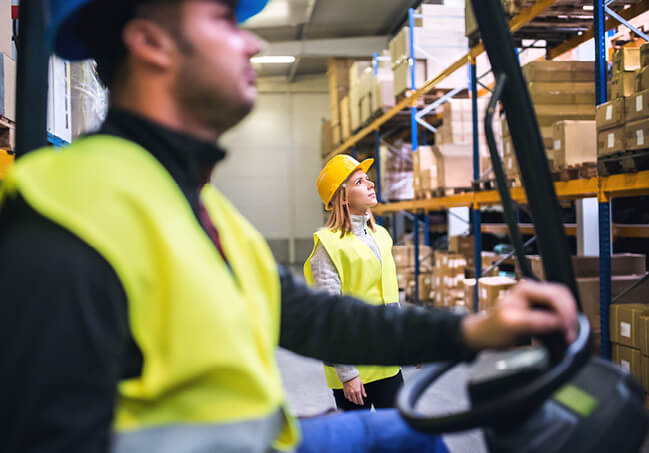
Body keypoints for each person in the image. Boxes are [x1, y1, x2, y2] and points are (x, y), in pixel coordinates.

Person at [0, 0, 578, 452]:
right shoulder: (67, 221)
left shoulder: (203, 208)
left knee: (410, 434)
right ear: (150, 43)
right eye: (225, 19)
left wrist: (469, 332)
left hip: (259, 440)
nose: (250, 40)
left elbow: (312, 317)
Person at [305, 155, 403, 411]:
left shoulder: (381, 236)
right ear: (343, 197)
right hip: (354, 369)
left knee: (397, 436)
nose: (371, 184)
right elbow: (330, 316)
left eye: (368, 179)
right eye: (360, 181)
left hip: (388, 360)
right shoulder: (328, 246)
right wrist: (347, 374)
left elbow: (390, 298)